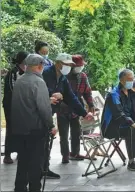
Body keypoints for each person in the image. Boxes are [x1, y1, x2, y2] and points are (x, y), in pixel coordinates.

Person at [42, 53, 94, 179]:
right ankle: (39, 170)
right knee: (47, 139)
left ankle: (44, 168)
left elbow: (71, 97)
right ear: (58, 63)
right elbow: (42, 90)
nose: (69, 67)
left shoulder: (63, 78)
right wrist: (53, 94)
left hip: (51, 110)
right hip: (41, 111)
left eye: (71, 65)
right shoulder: (47, 74)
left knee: (47, 139)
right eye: (67, 65)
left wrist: (84, 113)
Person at [11, 54, 57, 192]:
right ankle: (34, 188)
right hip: (35, 129)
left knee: (23, 161)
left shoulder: (20, 80)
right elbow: (43, 108)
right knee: (35, 163)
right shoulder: (38, 82)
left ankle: (19, 188)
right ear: (40, 65)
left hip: (20, 129)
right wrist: (51, 125)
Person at [101, 69, 135, 171]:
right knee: (131, 129)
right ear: (121, 80)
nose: (131, 81)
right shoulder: (113, 95)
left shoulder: (131, 93)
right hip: (113, 126)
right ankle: (131, 161)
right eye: (129, 79)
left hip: (128, 123)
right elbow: (119, 115)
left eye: (132, 79)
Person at [57, 55, 95, 163]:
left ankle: (75, 153)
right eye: (79, 65)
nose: (81, 67)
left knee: (76, 133)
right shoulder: (63, 76)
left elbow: (87, 92)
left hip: (77, 109)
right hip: (62, 109)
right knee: (63, 135)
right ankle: (65, 155)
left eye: (82, 65)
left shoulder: (82, 77)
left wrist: (91, 104)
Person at [2, 51, 29, 164]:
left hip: (22, 105)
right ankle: (7, 154)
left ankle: (20, 152)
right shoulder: (13, 73)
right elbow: (12, 90)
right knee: (11, 129)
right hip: (11, 105)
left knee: (22, 128)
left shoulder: (26, 72)